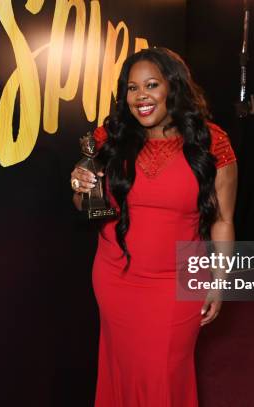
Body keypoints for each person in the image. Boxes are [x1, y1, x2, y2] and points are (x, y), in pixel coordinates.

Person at [69, 47, 237, 406]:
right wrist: (80, 186)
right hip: (115, 276)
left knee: (164, 375)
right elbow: (86, 206)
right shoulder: (108, 138)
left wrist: (221, 283)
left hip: (176, 285)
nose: (141, 96)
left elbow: (223, 221)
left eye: (151, 85)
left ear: (173, 88)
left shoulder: (211, 142)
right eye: (132, 88)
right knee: (122, 368)